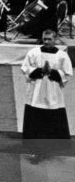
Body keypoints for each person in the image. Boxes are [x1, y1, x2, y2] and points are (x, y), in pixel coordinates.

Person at [21, 29, 73, 163]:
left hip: (53, 93)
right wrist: (39, 71)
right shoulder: (34, 53)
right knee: (35, 121)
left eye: (50, 39)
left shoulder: (62, 55)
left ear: (55, 39)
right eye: (45, 39)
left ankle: (49, 148)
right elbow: (25, 68)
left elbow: (67, 73)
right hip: (36, 93)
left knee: (50, 121)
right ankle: (35, 150)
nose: (47, 42)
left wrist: (52, 73)